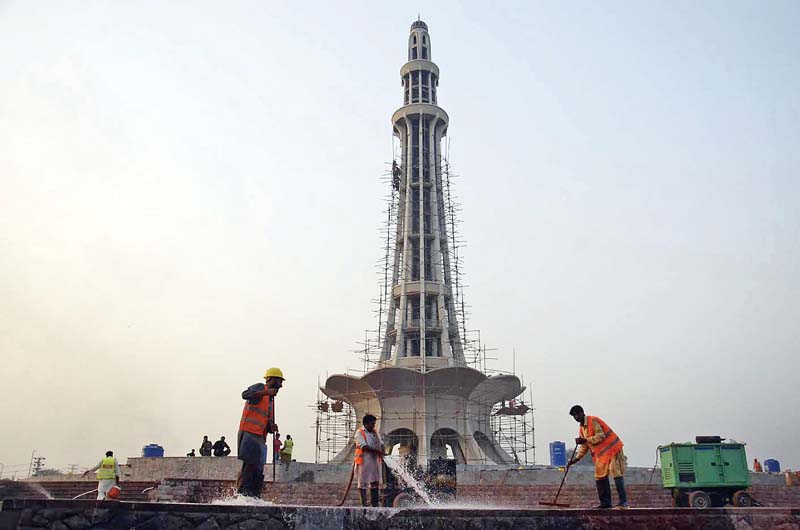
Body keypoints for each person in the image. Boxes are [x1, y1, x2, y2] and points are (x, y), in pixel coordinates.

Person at [567, 405, 628, 509]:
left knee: (615, 471)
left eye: (577, 414)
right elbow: (584, 447)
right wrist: (576, 459)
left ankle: (623, 502)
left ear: (582, 413)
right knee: (599, 476)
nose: (576, 417)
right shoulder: (582, 429)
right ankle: (605, 503)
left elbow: (601, 436)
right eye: (574, 416)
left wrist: (586, 440)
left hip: (613, 448)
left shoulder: (593, 421)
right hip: (602, 455)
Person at [236, 367, 284, 497]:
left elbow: (266, 421)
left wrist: (271, 427)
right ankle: (242, 494)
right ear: (270, 379)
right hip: (249, 433)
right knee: (250, 465)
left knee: (258, 468)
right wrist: (266, 392)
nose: (280, 385)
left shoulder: (270, 401)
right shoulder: (260, 388)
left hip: (260, 437)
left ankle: (253, 495)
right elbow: (245, 394)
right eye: (279, 382)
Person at [355, 414, 385, 507]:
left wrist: (383, 451)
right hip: (363, 462)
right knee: (362, 483)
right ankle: (364, 505)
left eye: (374, 424)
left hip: (374, 461)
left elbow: (381, 444)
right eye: (372, 424)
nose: (373, 426)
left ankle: (375, 504)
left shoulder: (374, 432)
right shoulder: (360, 432)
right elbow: (363, 446)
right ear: (366, 424)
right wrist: (376, 451)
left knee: (374, 482)